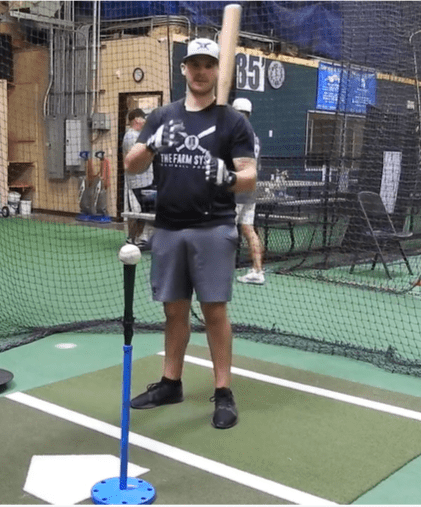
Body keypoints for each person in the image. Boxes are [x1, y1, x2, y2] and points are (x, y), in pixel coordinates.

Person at [123, 38, 257, 429]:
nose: (201, 71)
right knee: (173, 310)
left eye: (208, 65)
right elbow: (132, 165)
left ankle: (223, 391)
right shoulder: (163, 115)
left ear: (217, 71)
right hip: (168, 227)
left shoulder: (233, 121)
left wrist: (228, 177)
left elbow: (250, 177)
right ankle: (171, 383)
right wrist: (152, 144)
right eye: (194, 64)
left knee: (215, 310)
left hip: (213, 227)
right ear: (184, 69)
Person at [231, 98, 265, 285]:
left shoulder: (236, 134)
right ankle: (257, 271)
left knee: (224, 228)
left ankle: (217, 270)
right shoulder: (254, 136)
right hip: (251, 187)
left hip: (237, 188)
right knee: (248, 228)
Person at [122, 108, 155, 250]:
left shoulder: (139, 135)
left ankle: (141, 238)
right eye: (143, 119)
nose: (145, 122)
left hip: (146, 181)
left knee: (147, 210)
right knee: (140, 211)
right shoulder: (131, 136)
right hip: (137, 182)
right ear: (136, 120)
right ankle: (133, 238)